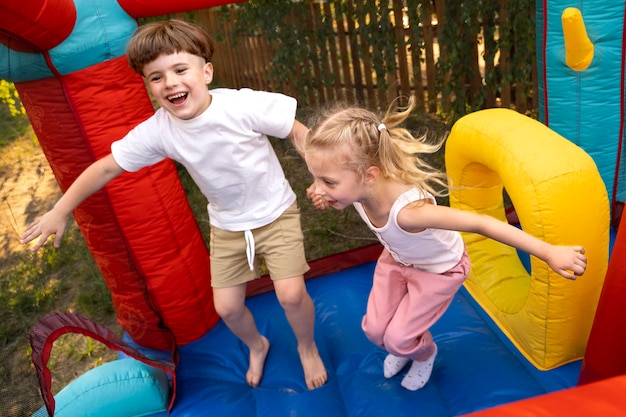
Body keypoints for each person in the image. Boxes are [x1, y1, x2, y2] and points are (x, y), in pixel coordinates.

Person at [20, 19, 327, 390]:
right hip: (229, 225)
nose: (171, 83)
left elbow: (296, 131)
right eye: (156, 77)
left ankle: (307, 347)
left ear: (206, 71)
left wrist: (322, 176)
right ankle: (256, 344)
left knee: (291, 295)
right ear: (148, 86)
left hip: (275, 213)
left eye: (181, 69)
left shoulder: (241, 105)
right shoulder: (160, 129)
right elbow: (105, 167)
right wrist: (60, 210)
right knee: (227, 308)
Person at [301, 97, 587, 391]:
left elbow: (481, 224)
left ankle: (423, 352)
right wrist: (327, 194)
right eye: (317, 180)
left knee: (399, 338)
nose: (318, 189)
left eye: (328, 182)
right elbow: (313, 150)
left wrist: (549, 252)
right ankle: (404, 348)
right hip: (399, 258)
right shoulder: (358, 185)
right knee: (374, 331)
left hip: (438, 270)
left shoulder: (411, 213)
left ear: (369, 175)